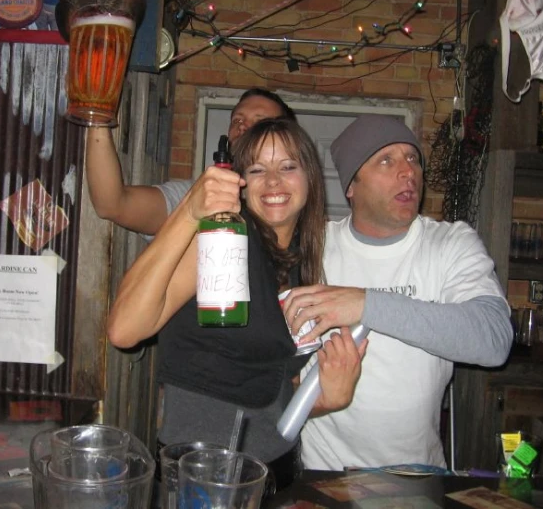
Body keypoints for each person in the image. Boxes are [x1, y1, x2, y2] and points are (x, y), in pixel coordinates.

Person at [106, 118, 367, 492]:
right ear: (240, 184)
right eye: (258, 169)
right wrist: (190, 211)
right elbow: (123, 329)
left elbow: (272, 392)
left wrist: (326, 397)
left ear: (310, 177)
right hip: (203, 481)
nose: (274, 181)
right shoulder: (220, 240)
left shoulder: (300, 262)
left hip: (277, 473)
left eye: (288, 167)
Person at [281, 114, 513, 471]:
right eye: (385, 160)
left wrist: (366, 304)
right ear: (351, 187)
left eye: (412, 158)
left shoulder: (449, 243)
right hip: (324, 475)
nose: (408, 171)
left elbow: (493, 338)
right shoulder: (315, 245)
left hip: (415, 477)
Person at [85, 88, 296, 236]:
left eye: (259, 123)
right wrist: (98, 110)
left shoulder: (293, 206)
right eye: (238, 120)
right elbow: (112, 204)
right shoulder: (196, 197)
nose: (243, 127)